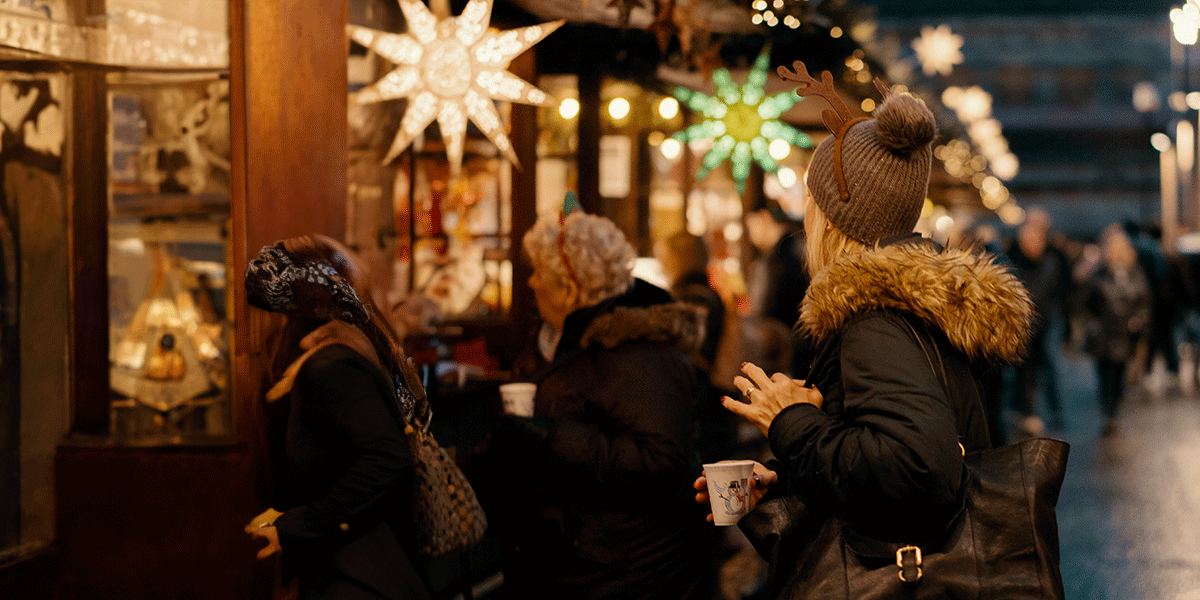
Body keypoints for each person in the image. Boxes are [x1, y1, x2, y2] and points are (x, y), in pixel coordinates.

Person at [694, 68, 1035, 597]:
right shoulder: (912, 306)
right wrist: (787, 473)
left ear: (832, 218)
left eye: (812, 200)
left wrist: (789, 421)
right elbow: (885, 455)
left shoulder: (875, 320)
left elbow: (921, 470)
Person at [495, 207, 713, 599]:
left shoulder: (637, 353)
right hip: (574, 566)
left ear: (569, 289)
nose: (530, 282)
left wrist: (552, 438)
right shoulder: (555, 343)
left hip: (625, 576)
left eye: (539, 272)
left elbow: (662, 461)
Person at [243, 235, 433, 600]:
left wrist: (301, 524)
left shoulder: (330, 366)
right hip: (357, 568)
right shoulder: (337, 353)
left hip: (355, 574)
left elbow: (387, 456)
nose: (262, 327)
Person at [1078, 225, 1152, 437]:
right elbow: (1084, 301)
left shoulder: (1134, 273)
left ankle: (1114, 410)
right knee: (1105, 377)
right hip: (1103, 335)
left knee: (1119, 376)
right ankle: (1108, 414)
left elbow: (1144, 300)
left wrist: (1139, 320)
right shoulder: (1098, 274)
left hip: (1125, 335)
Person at [1006, 207, 1071, 435]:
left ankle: (1056, 413)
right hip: (1024, 323)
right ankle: (1027, 413)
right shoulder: (1013, 259)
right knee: (1025, 371)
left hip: (1049, 320)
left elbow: (1064, 291)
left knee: (1051, 368)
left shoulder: (1055, 258)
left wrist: (1068, 326)